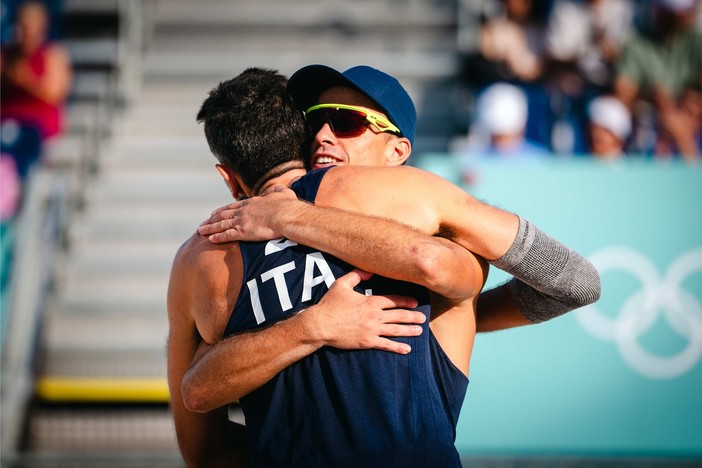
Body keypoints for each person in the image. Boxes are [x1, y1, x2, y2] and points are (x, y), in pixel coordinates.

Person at [168, 67, 489, 467]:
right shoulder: (401, 198)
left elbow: (202, 447)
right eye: (321, 122)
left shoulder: (200, 257)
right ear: (306, 142)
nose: (327, 135)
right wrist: (315, 326)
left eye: (345, 124)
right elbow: (465, 277)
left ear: (229, 179)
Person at [614, 0, 702, 160]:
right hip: (649, 124)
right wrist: (654, 100)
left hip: (691, 122)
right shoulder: (637, 43)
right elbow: (623, 94)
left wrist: (692, 104)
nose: (680, 17)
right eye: (672, 13)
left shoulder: (698, 39)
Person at [0, 0, 72, 176]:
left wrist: (26, 80)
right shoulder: (7, 55)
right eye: (23, 25)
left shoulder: (53, 54)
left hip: (37, 126)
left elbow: (55, 92)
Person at [449, 81, 552, 159]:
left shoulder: (540, 160)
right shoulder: (470, 158)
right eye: (497, 137)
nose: (501, 147)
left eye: (506, 137)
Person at [586, 94, 632, 159]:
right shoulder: (580, 165)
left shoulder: (630, 168)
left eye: (605, 130)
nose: (597, 134)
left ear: (618, 138)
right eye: (593, 128)